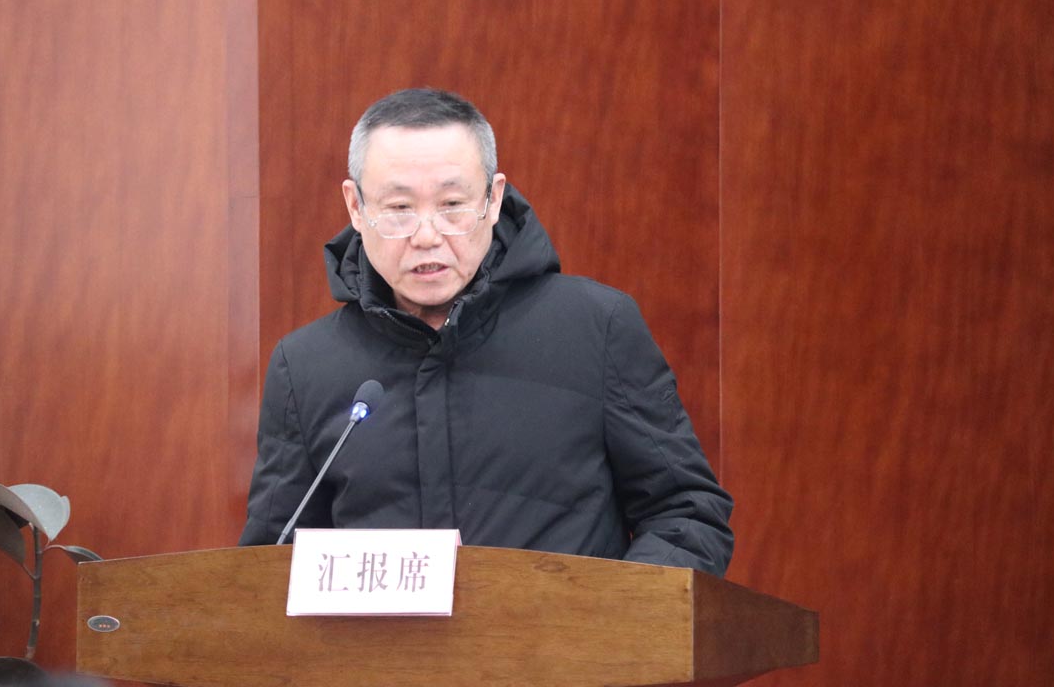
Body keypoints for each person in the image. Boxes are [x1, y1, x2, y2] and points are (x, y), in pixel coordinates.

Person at [239, 88, 734, 575]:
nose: (427, 236)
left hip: (569, 632)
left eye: (452, 204)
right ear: (356, 207)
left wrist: (611, 617)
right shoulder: (305, 366)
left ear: (494, 199)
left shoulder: (595, 328)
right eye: (399, 209)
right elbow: (268, 566)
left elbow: (687, 513)